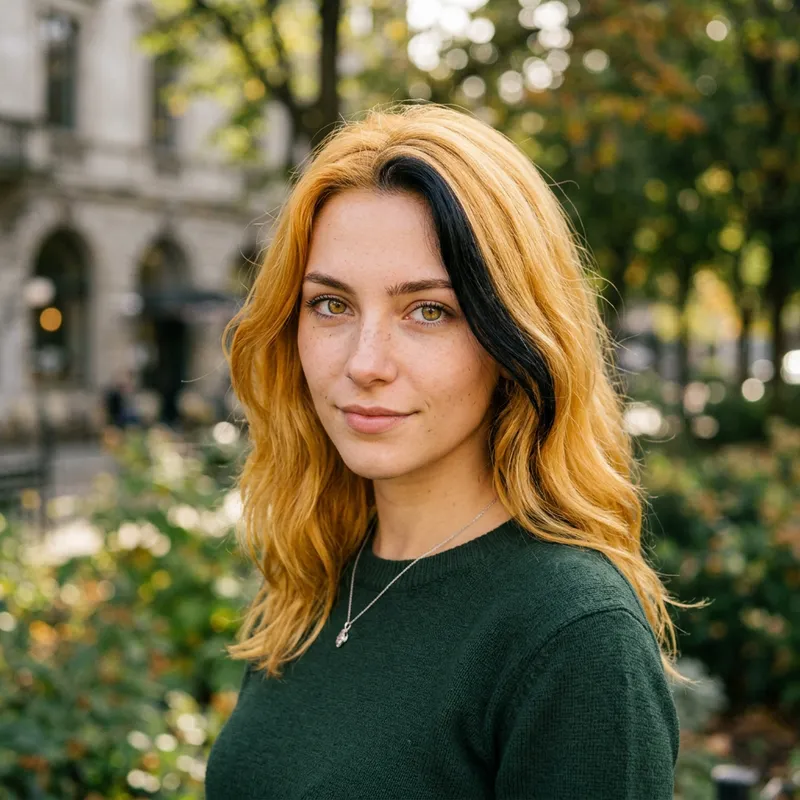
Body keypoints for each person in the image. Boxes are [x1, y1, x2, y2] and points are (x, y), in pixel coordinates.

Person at [205, 102, 699, 799]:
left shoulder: (572, 633)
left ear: (513, 339)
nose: (365, 362)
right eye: (332, 305)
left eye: (428, 311)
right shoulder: (315, 571)